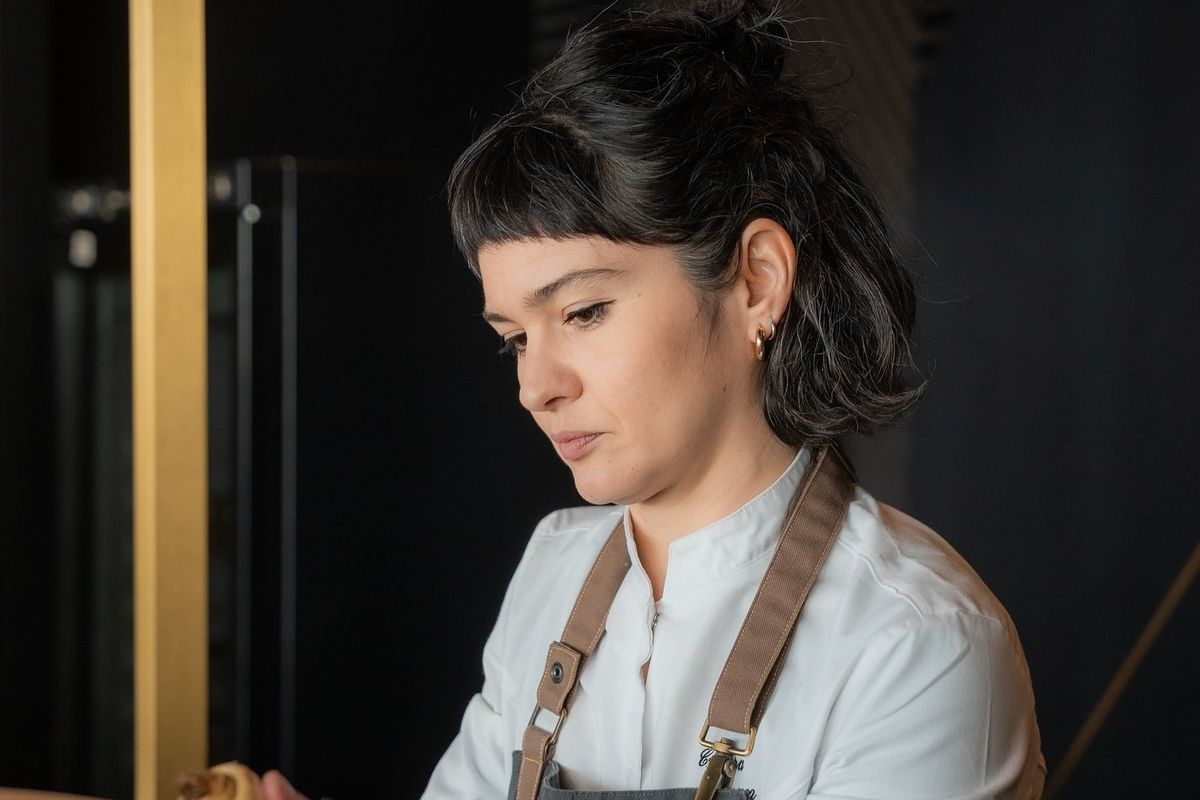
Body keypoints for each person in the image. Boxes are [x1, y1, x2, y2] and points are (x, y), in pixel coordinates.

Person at [264, 1, 1045, 798]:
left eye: (583, 312)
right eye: (516, 339)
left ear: (756, 281)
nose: (537, 387)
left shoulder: (917, 644)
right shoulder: (555, 569)